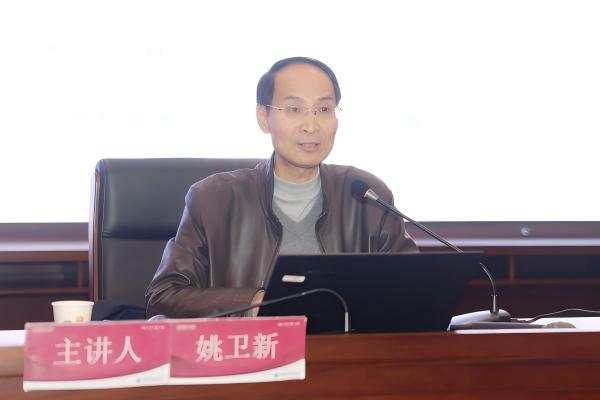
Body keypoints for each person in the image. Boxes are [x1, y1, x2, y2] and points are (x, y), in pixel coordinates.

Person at [145, 57, 417, 319]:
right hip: (255, 349)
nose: (311, 126)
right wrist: (252, 303)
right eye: (294, 109)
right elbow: (164, 296)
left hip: (346, 349)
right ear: (263, 117)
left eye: (323, 109)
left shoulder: (367, 197)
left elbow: (413, 290)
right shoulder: (213, 199)